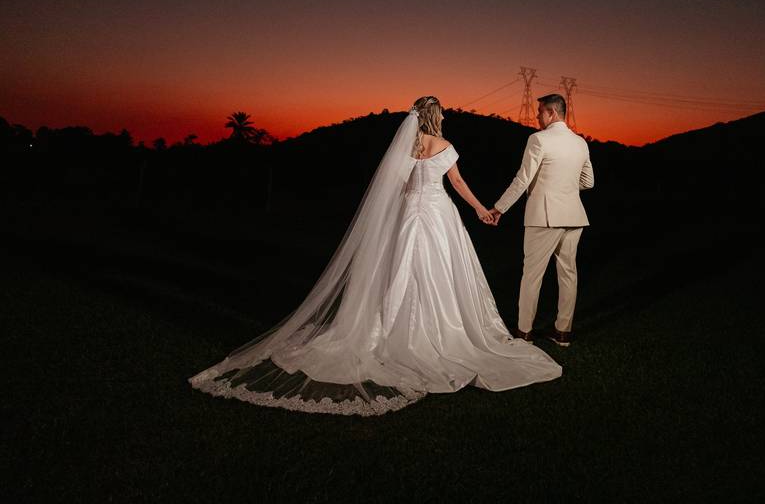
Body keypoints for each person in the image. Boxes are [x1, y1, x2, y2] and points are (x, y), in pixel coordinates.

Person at [188, 96, 561, 416]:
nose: (445, 118)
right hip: (437, 213)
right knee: (440, 270)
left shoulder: (408, 147)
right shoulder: (445, 146)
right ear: (435, 116)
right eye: (442, 113)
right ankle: (437, 332)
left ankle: (391, 326)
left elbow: (395, 185)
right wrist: (482, 209)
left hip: (408, 213)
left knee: (399, 268)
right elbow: (458, 183)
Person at [489, 94, 594, 347]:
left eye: (540, 112)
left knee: (532, 275)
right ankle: (563, 333)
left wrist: (499, 208)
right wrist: (565, 187)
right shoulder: (581, 143)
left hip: (544, 216)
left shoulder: (538, 139)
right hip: (574, 215)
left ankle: (524, 332)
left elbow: (522, 178)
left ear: (552, 113)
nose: (536, 116)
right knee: (568, 274)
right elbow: (588, 182)